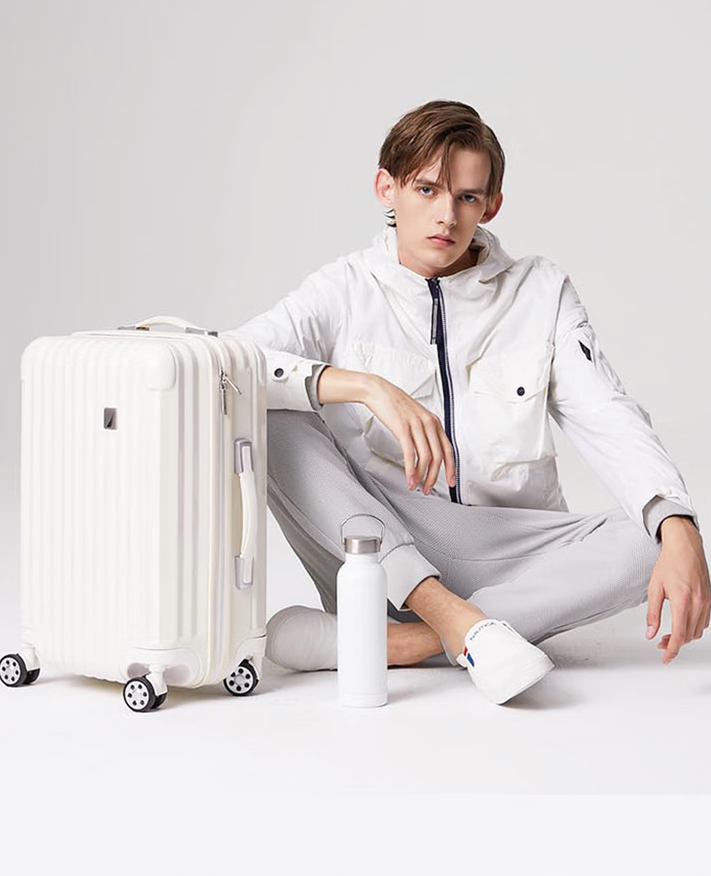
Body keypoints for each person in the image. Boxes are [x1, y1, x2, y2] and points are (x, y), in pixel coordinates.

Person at [229, 99, 710, 705]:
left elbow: (606, 411)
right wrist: (366, 386)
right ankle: (452, 621)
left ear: (491, 205)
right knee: (270, 410)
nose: (446, 215)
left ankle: (407, 643)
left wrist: (678, 523)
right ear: (386, 188)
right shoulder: (343, 289)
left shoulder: (540, 291)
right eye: (427, 190)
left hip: (511, 554)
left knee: (658, 535)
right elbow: (230, 364)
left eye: (467, 197)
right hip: (379, 552)